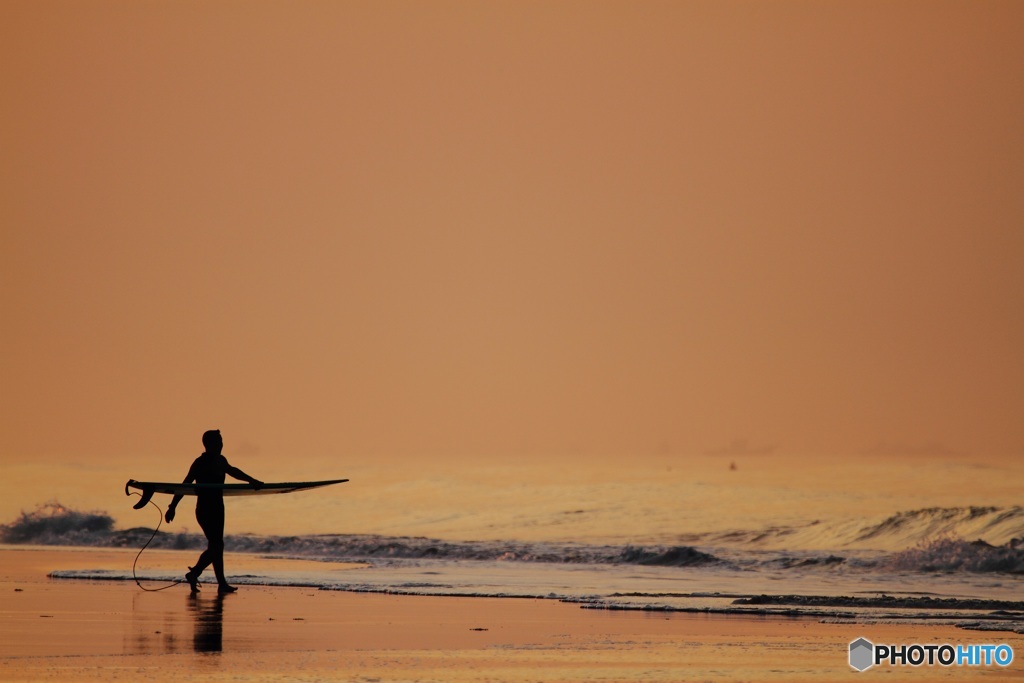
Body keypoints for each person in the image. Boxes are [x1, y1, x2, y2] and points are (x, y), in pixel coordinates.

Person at [165, 429, 262, 593]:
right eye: (219, 441)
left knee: (217, 545)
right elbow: (185, 485)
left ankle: (212, 580)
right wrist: (172, 507)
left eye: (221, 441)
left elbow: (233, 471)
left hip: (218, 508)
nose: (222, 444)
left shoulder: (221, 460)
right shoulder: (199, 463)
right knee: (216, 545)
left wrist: (251, 480)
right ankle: (200, 575)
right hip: (204, 509)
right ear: (211, 444)